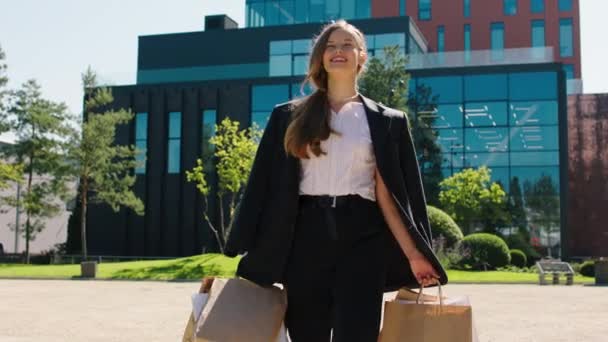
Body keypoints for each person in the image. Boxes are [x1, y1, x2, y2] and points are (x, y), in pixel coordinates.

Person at [224, 19, 447, 341]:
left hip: (363, 237)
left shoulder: (388, 123)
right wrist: (247, 244)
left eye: (347, 45)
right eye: (330, 46)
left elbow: (391, 195)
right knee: (306, 332)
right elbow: (263, 185)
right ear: (321, 57)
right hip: (304, 235)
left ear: (362, 57)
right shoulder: (288, 116)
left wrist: (415, 254)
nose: (338, 51)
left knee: (358, 332)